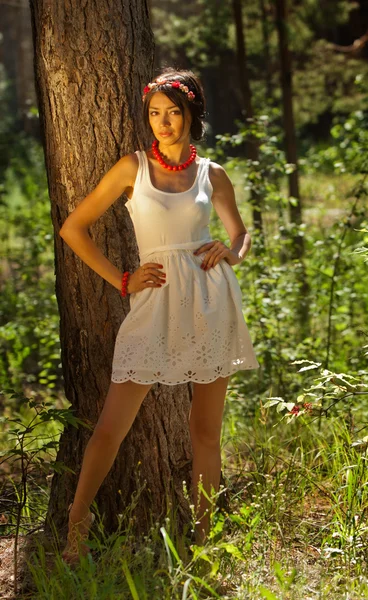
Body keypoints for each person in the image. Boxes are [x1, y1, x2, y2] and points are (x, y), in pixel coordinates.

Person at [58, 67, 260, 564]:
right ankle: (74, 533)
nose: (163, 123)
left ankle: (203, 543)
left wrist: (229, 252)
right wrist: (123, 279)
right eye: (155, 113)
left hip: (211, 303)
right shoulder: (132, 168)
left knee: (205, 432)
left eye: (173, 113)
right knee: (110, 426)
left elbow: (241, 235)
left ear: (192, 115)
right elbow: (73, 228)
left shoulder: (213, 174)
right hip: (154, 305)